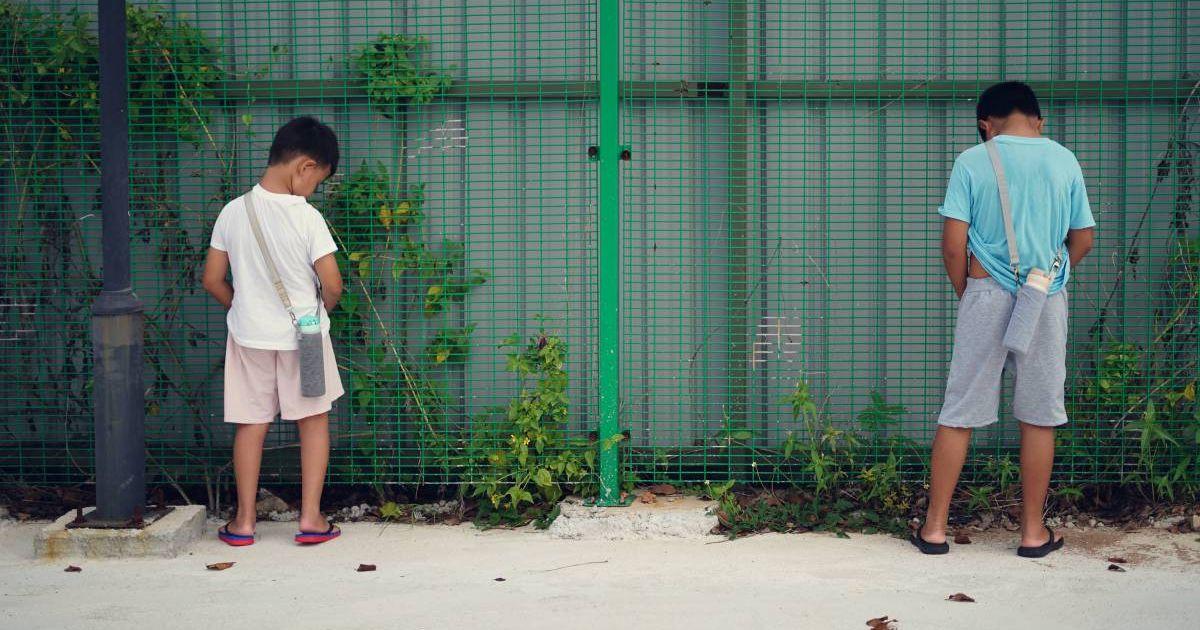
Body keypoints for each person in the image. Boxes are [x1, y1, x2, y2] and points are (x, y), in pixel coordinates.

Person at [913, 82, 1096, 558]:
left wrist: (968, 291)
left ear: (985, 124)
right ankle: (1033, 534)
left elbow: (953, 243)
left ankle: (934, 530)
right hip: (1045, 297)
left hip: (985, 293)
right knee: (1039, 417)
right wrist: (1050, 279)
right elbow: (1084, 238)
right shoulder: (1064, 160)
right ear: (1039, 119)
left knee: (959, 413)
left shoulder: (973, 161)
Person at [202, 116, 346, 546]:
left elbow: (211, 279)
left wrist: (242, 306)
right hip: (306, 340)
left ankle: (243, 522)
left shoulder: (233, 211)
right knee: (314, 422)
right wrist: (321, 312)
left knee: (251, 423)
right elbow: (333, 283)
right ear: (305, 166)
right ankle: (311, 519)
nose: (314, 188)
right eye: (318, 179)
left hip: (249, 337)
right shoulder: (307, 218)